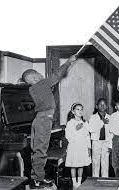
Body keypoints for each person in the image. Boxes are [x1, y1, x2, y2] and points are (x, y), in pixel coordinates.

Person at [21, 55, 77, 189]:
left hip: (40, 119)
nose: (42, 75)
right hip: (44, 119)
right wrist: (68, 62)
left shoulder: (33, 88)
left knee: (38, 150)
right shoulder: (41, 84)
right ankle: (37, 180)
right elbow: (57, 75)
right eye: (39, 74)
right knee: (41, 150)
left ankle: (38, 177)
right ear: (35, 77)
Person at [65, 103, 91, 189]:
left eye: (81, 109)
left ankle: (79, 182)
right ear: (73, 111)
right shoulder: (70, 123)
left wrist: (89, 147)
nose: (80, 111)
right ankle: (74, 182)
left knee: (81, 164)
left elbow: (87, 136)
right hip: (74, 147)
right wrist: (76, 129)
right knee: (74, 164)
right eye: (77, 109)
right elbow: (68, 136)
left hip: (82, 146)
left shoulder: (85, 122)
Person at [88, 98, 112, 178]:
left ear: (107, 106)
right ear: (96, 106)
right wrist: (102, 122)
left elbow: (111, 133)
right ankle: (95, 179)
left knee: (105, 162)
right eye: (100, 104)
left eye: (104, 104)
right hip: (96, 142)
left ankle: (105, 179)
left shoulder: (110, 117)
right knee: (95, 162)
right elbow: (91, 129)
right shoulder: (92, 117)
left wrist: (110, 145)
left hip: (106, 142)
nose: (102, 106)